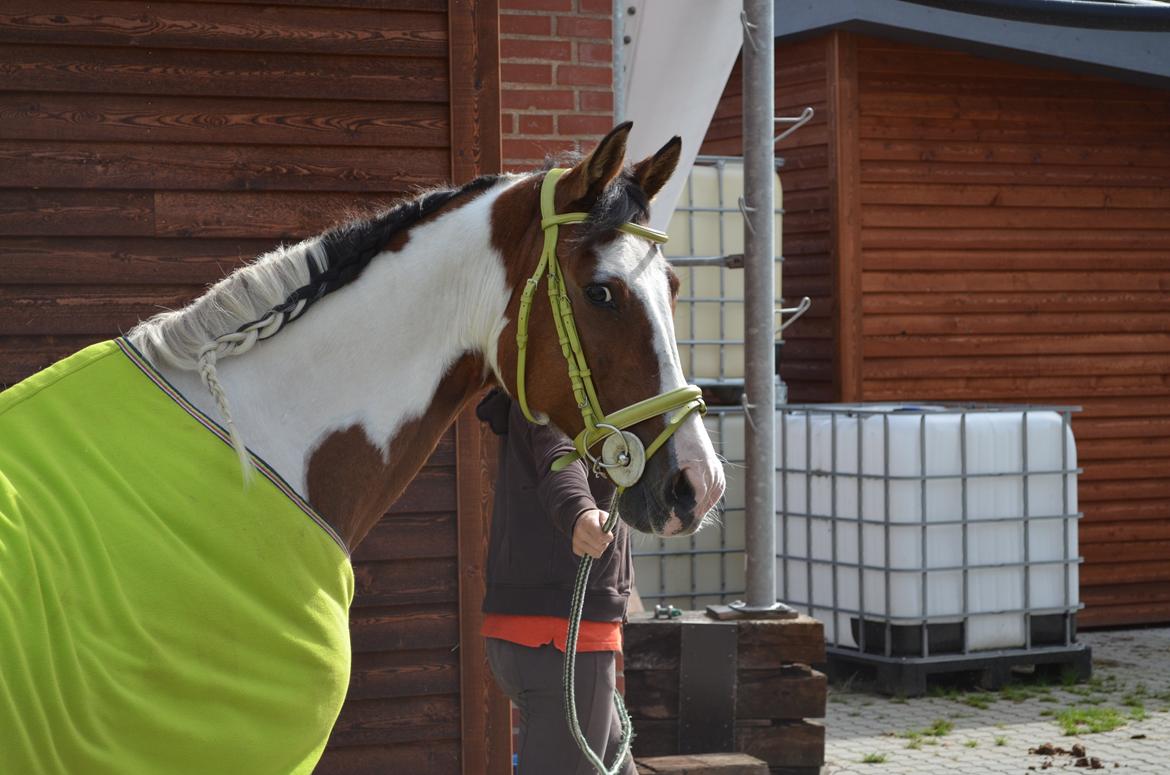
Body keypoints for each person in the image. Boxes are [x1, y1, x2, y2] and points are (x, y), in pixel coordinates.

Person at [476, 388, 636, 775]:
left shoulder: (563, 390)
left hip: (544, 636)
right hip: (560, 639)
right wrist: (579, 513)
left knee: (615, 766)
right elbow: (560, 458)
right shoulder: (549, 390)